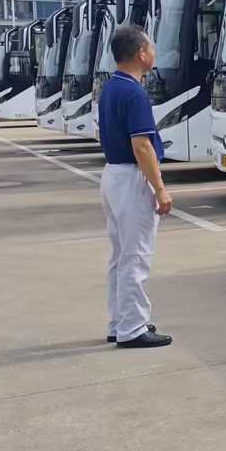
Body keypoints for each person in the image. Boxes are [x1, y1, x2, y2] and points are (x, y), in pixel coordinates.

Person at [97, 24, 173, 349]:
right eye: (151, 47)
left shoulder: (111, 88)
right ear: (141, 53)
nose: (153, 52)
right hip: (132, 177)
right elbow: (141, 146)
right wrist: (160, 188)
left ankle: (120, 321)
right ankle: (133, 328)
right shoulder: (135, 93)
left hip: (113, 175)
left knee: (120, 255)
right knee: (136, 255)